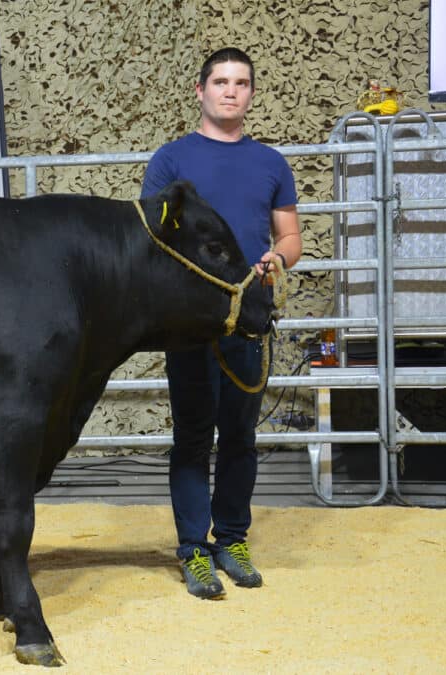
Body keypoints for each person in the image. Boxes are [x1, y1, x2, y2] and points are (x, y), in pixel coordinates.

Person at [141, 47, 302, 599]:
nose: (231, 91)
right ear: (200, 90)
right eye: (220, 82)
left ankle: (232, 538)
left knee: (239, 434)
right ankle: (193, 548)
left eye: (241, 83)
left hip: (249, 315)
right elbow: (153, 238)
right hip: (192, 320)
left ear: (251, 94)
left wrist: (277, 259)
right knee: (192, 435)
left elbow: (290, 236)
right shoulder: (171, 160)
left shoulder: (270, 164)